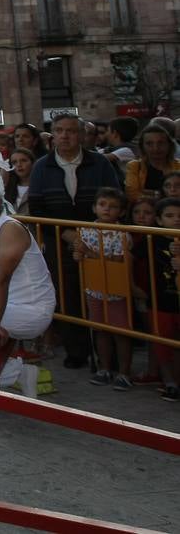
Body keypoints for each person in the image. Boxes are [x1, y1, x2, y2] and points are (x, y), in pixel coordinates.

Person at [27, 113, 122, 370]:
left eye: (71, 130)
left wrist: (91, 232)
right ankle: (76, 351)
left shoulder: (100, 163)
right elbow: (36, 208)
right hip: (59, 241)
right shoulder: (41, 167)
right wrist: (67, 234)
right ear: (53, 135)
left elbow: (115, 197)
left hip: (99, 240)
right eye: (59, 130)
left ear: (80, 134)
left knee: (104, 295)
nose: (65, 135)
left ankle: (108, 356)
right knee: (67, 296)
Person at [0, 179, 56, 383]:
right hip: (4, 304)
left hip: (32, 308)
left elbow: (2, 279)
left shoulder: (10, 229)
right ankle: (16, 373)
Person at [67, 187, 134, 390]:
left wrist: (88, 253)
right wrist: (79, 255)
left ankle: (124, 372)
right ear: (95, 208)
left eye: (113, 207)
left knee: (121, 333)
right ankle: (104, 368)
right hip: (94, 289)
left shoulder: (123, 234)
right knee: (100, 330)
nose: (107, 209)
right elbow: (79, 255)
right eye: (103, 205)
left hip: (116, 291)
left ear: (121, 212)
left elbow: (116, 260)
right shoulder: (85, 230)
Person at [145, 198, 180, 402]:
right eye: (169, 216)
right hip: (159, 302)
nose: (176, 220)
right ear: (158, 219)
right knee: (162, 343)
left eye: (179, 216)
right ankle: (170, 382)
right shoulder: (151, 239)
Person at [124, 124, 180, 204]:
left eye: (161, 143)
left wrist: (151, 194)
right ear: (142, 146)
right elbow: (132, 195)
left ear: (169, 145)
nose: (155, 148)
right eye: (149, 144)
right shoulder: (135, 166)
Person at [3, 148, 36, 215]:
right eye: (14, 162)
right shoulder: (7, 189)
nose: (19, 165)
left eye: (23, 160)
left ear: (32, 163)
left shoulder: (39, 186)